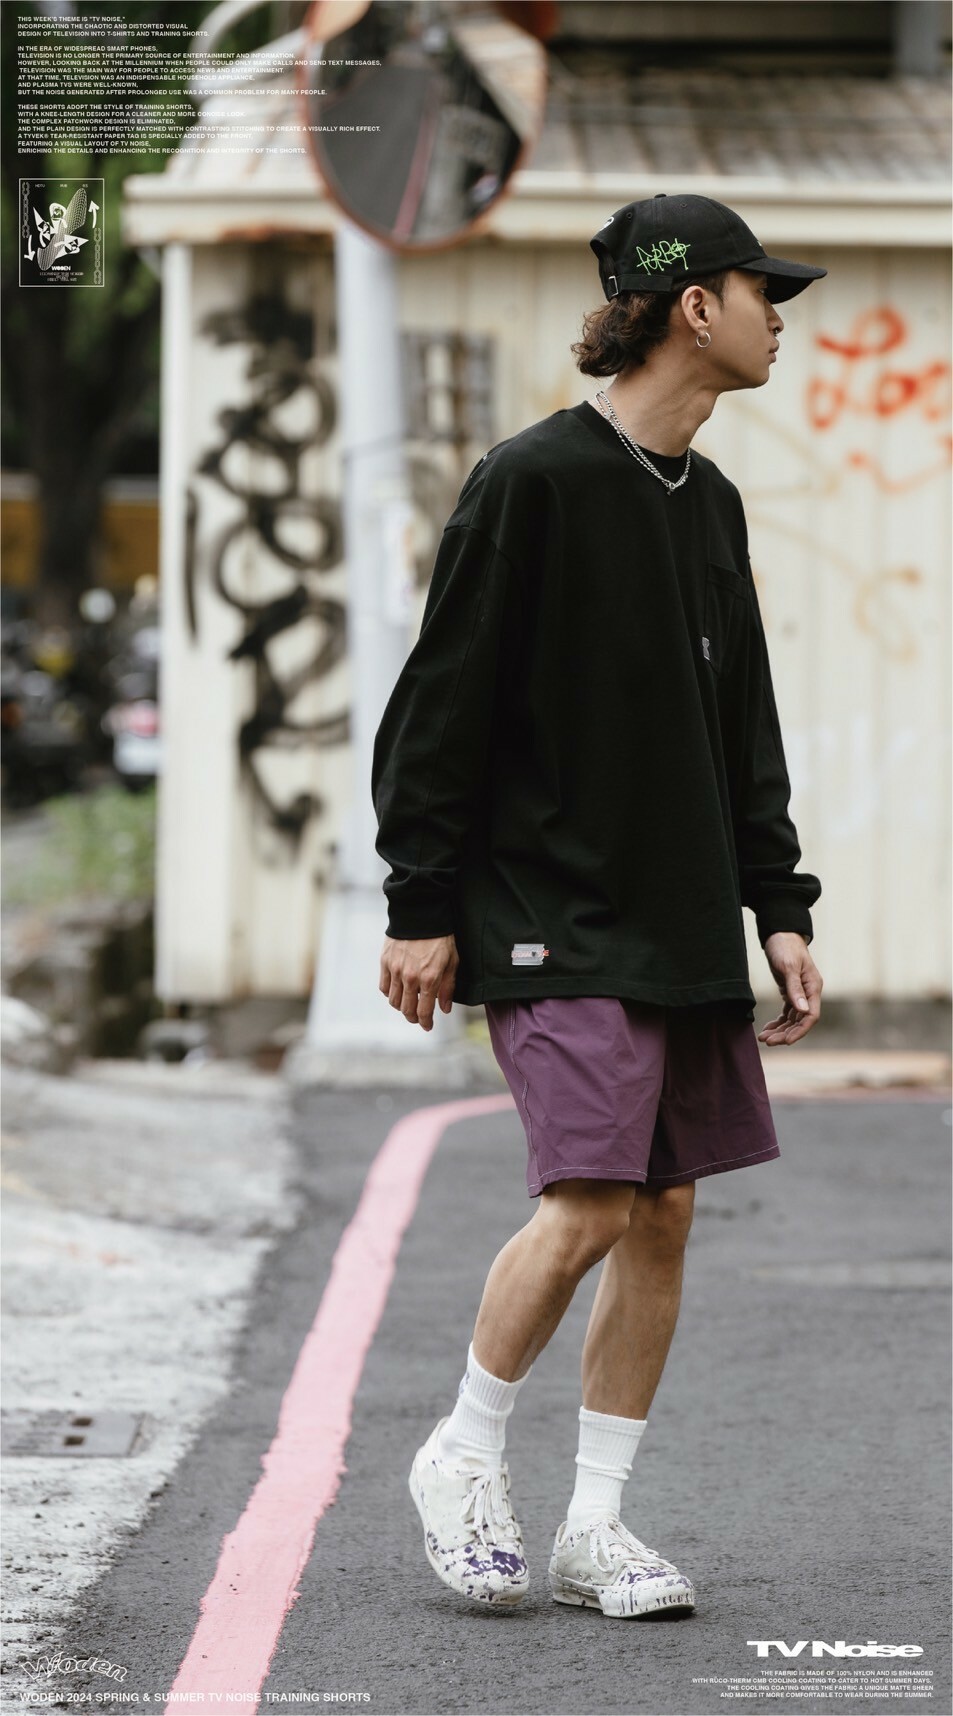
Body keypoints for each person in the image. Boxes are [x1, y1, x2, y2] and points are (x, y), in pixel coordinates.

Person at [371, 192, 825, 1620]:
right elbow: (438, 705)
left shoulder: (713, 503)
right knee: (589, 1199)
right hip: (544, 911)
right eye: (762, 294)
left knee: (665, 1210)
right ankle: (461, 1453)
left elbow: (742, 724)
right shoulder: (533, 482)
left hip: (677, 911)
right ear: (694, 305)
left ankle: (595, 1526)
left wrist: (778, 903)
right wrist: (419, 901)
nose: (777, 320)